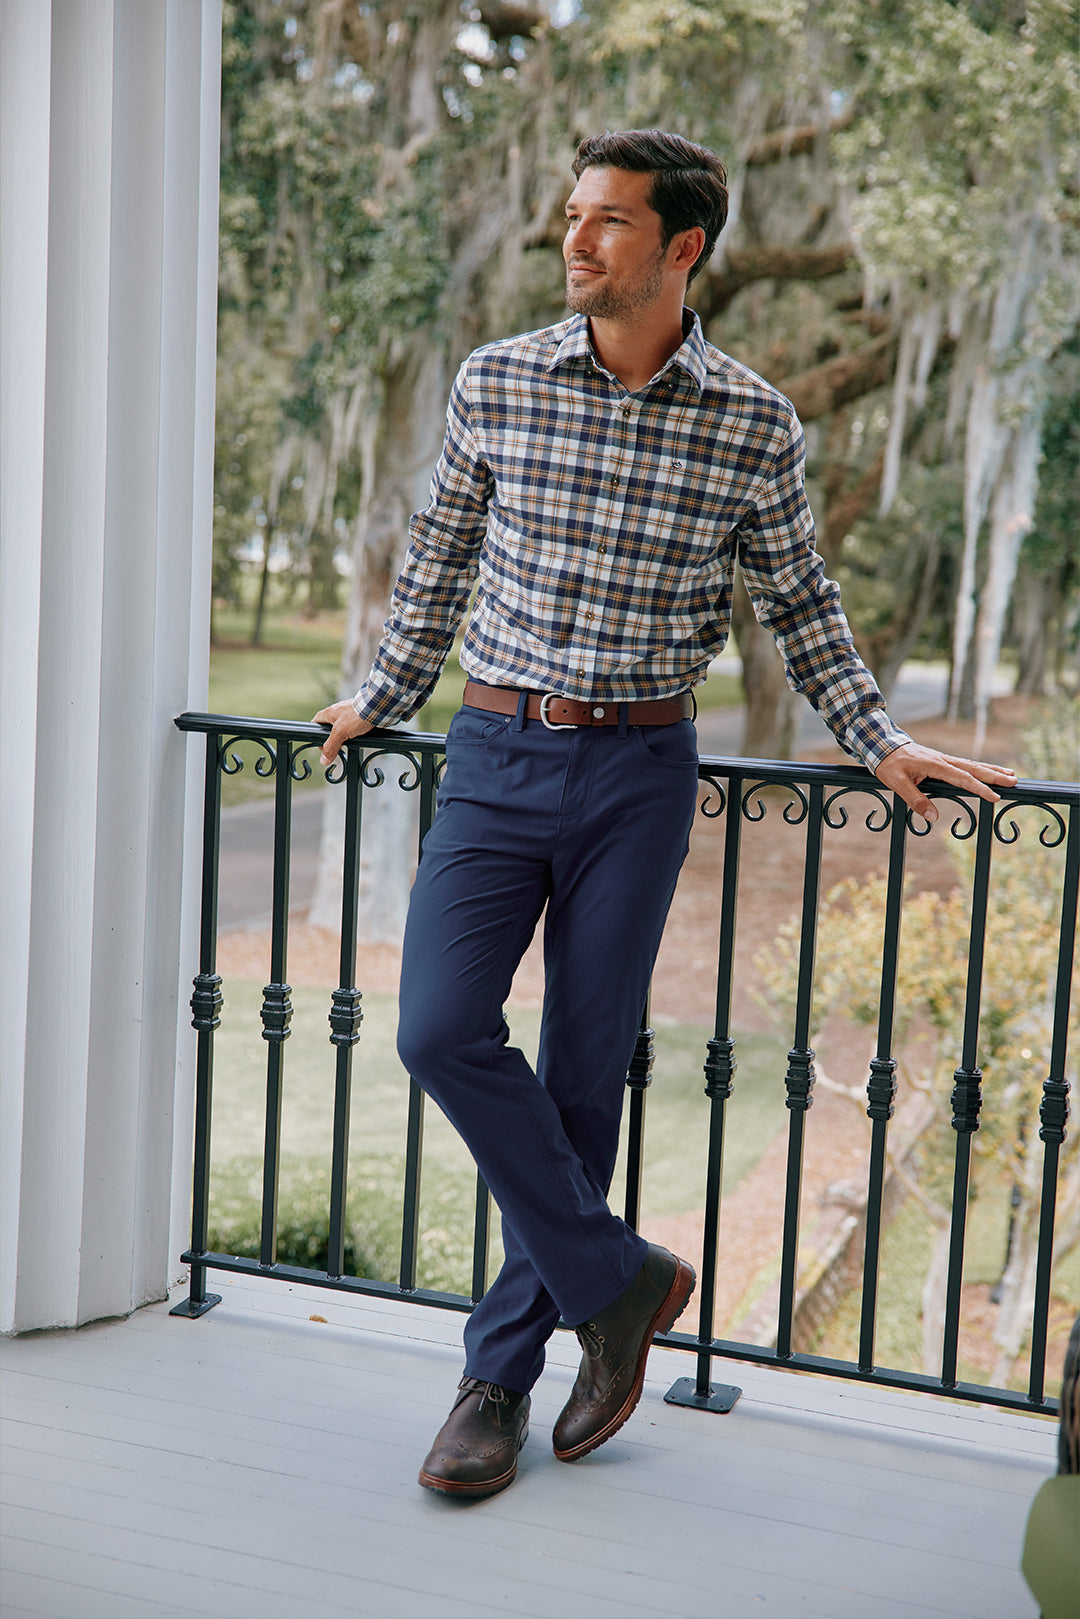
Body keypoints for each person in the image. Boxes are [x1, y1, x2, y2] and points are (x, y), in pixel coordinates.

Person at [316, 129, 1017, 1500]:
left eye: (608, 223)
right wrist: (381, 694)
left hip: (640, 775)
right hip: (497, 750)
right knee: (438, 1024)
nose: (575, 243)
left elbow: (800, 599)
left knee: (585, 1076)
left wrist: (874, 739)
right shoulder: (499, 380)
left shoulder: (753, 419)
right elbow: (440, 560)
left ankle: (494, 1382)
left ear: (682, 248)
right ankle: (619, 1280)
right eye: (573, 218)